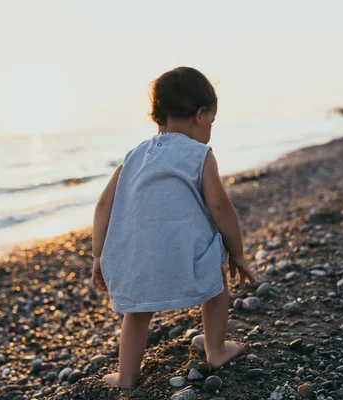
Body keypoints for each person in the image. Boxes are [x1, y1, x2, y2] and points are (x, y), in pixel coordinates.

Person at [90, 66, 256, 389]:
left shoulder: (133, 157)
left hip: (138, 266)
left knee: (136, 315)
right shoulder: (200, 154)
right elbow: (220, 206)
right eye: (211, 121)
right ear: (200, 114)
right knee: (218, 281)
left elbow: (102, 206)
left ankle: (126, 376)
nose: (209, 128)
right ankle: (217, 349)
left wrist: (98, 257)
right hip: (188, 263)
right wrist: (237, 253)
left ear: (160, 116)